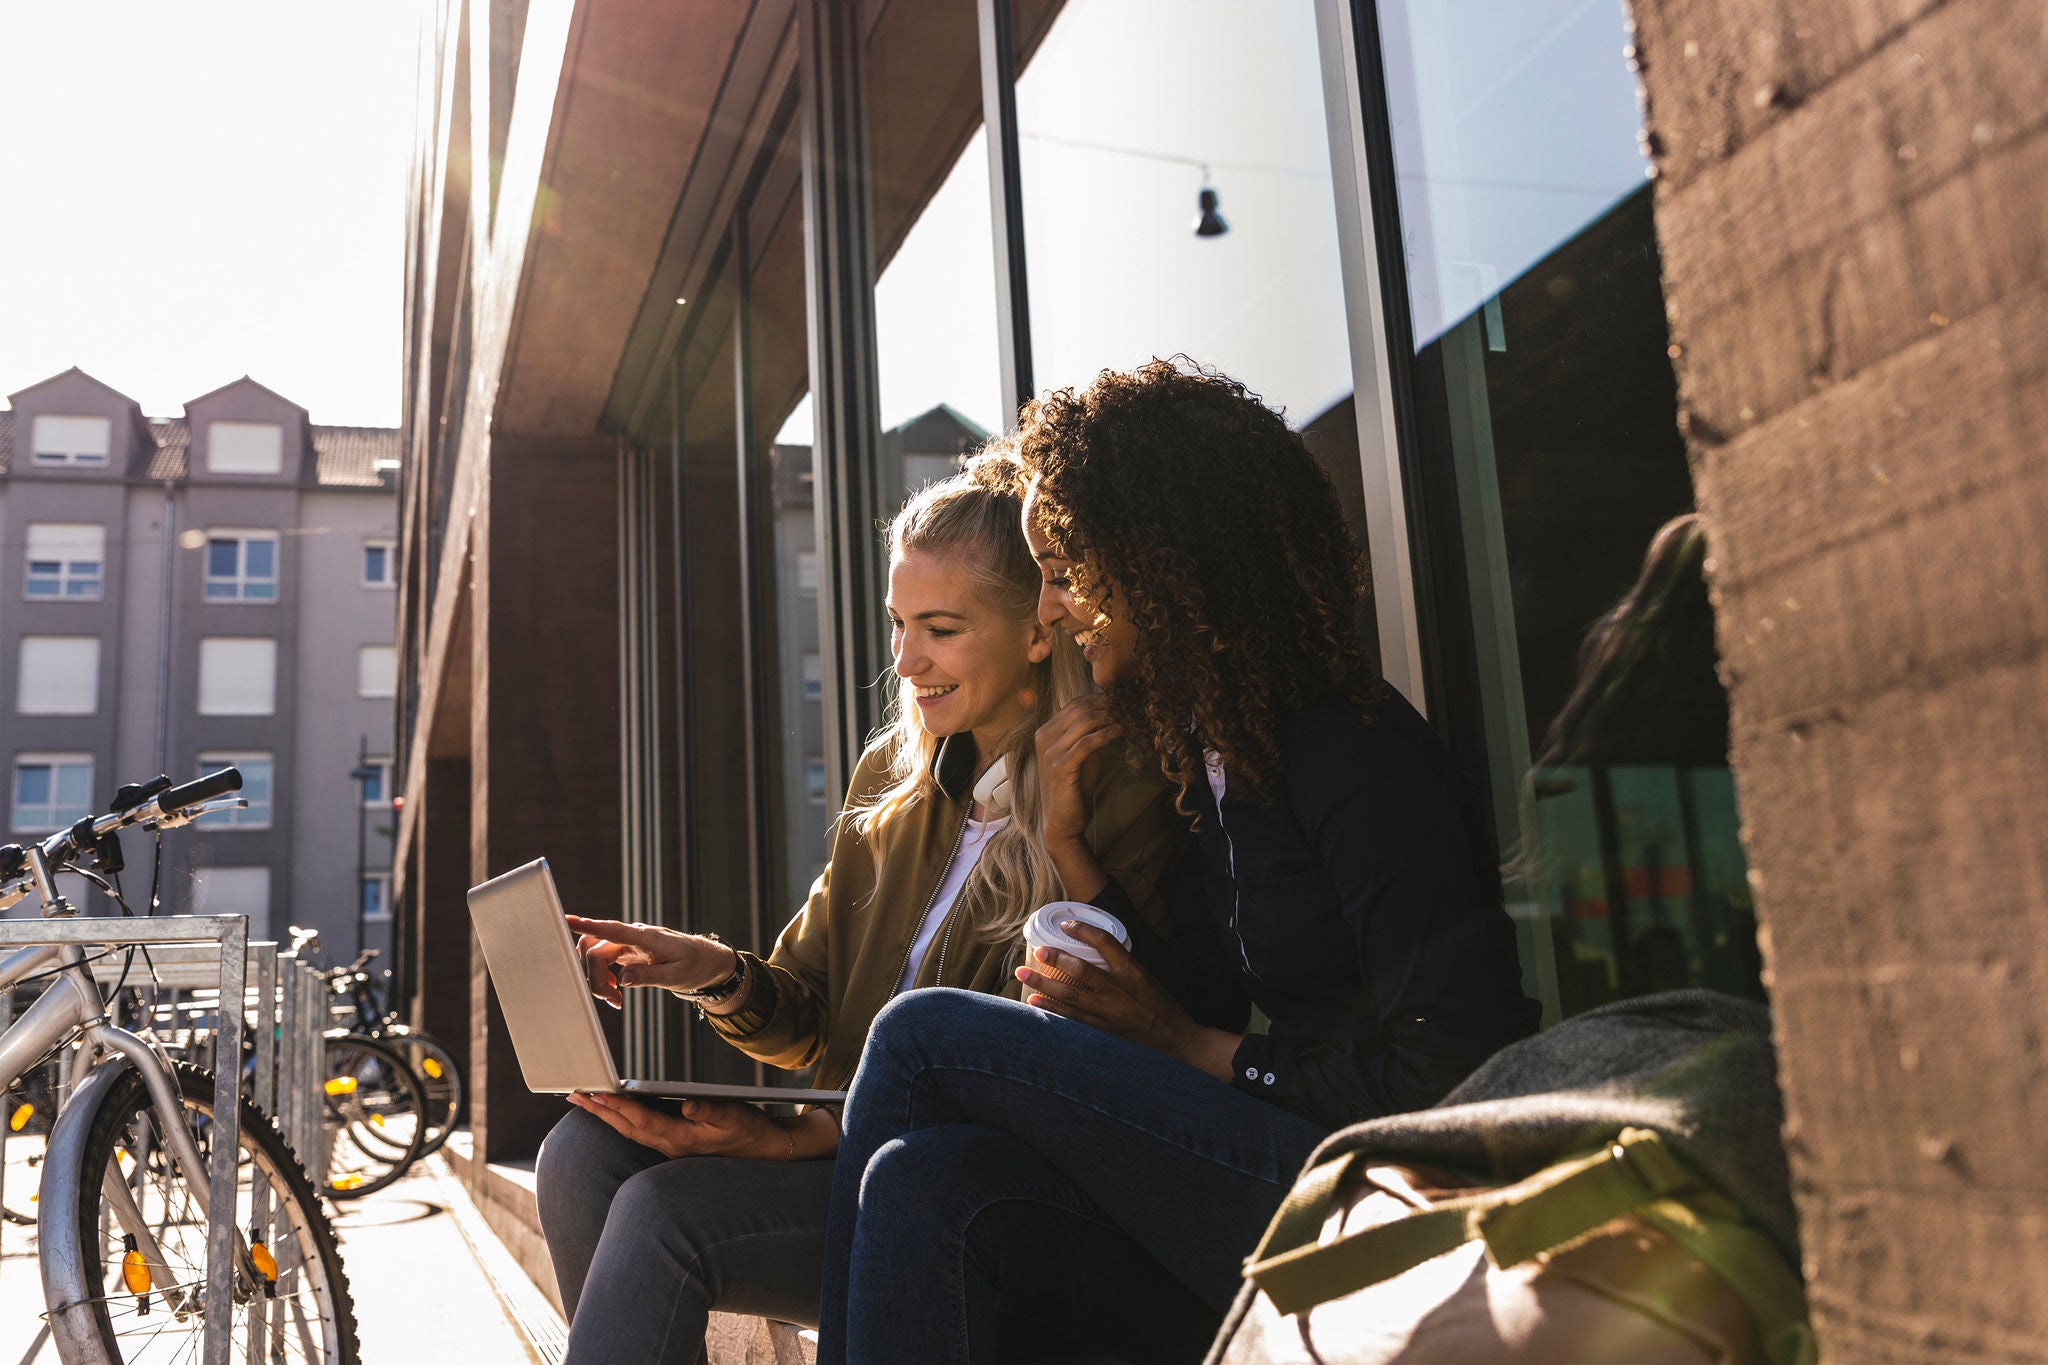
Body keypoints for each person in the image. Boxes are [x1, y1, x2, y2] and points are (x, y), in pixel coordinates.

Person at [816, 359, 1541, 1362]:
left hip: (1384, 1200)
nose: (1054, 610)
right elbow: (1190, 993)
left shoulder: (1350, 751)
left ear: (1161, 565)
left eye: (1065, 576)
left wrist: (1211, 1054)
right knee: (924, 1182)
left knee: (922, 1037)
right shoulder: (1214, 760)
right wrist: (1067, 848)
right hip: (1266, 1170)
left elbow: (1449, 1070)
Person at [534, 451, 1181, 1364]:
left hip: (958, 1195)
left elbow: (1038, 1082)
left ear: (1039, 629)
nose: (907, 661)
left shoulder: (1122, 792)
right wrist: (708, 970)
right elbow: (810, 1013)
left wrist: (791, 1142)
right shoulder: (896, 779)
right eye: (899, 625)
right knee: (577, 1153)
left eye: (942, 629)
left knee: (662, 1211)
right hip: (839, 1154)